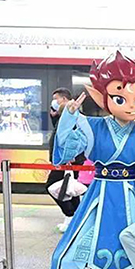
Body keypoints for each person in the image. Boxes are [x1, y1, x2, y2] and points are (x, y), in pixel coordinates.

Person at [48, 51, 135, 269]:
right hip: (101, 196)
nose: (132, 106)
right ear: (103, 98)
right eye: (121, 98)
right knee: (100, 242)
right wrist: (69, 118)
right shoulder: (92, 127)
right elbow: (64, 154)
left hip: (134, 195)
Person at [45, 88, 86, 232]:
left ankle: (70, 215)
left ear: (63, 99)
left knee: (52, 186)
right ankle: (75, 218)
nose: (54, 102)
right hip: (65, 159)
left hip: (67, 160)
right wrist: (54, 115)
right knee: (69, 188)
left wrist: (71, 155)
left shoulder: (73, 113)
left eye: (56, 99)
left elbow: (74, 136)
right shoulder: (64, 113)